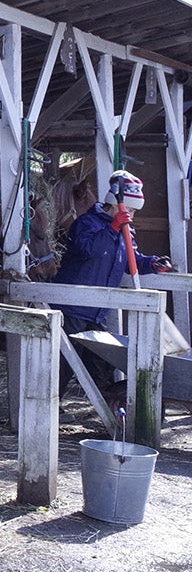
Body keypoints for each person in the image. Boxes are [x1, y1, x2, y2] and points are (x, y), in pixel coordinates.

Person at [53, 169, 174, 402]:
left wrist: (152, 263)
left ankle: (110, 408)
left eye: (134, 212)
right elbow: (89, 250)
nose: (132, 216)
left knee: (103, 362)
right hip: (72, 307)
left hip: (98, 310)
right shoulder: (86, 223)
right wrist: (113, 228)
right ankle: (51, 407)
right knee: (64, 363)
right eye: (130, 210)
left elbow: (131, 260)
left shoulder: (124, 230)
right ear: (116, 205)